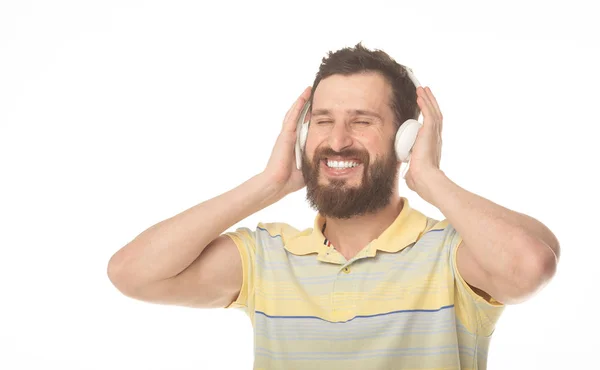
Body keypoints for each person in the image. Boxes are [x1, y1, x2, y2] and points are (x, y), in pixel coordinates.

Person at [107, 43, 560, 370]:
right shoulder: (268, 259)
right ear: (304, 135)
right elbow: (131, 273)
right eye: (323, 122)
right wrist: (268, 184)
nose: (338, 140)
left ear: (406, 139)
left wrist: (432, 180)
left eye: (362, 122)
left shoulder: (451, 253)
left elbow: (531, 264)